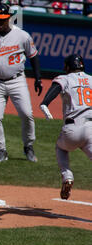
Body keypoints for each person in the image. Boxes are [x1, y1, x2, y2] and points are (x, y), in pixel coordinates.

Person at [0, 3, 43, 162]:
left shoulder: (22, 35)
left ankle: (28, 146)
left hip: (17, 81)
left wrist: (38, 78)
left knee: (27, 114)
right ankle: (1, 150)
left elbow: (33, 56)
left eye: (2, 20)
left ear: (9, 18)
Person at [38, 54, 92, 200]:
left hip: (72, 129)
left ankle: (67, 176)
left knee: (61, 148)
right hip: (91, 129)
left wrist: (44, 103)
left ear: (68, 67)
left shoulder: (65, 78)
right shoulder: (91, 79)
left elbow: (56, 88)